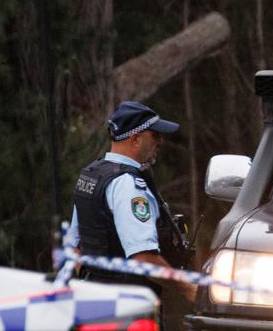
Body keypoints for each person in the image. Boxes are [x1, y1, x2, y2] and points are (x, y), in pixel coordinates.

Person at [66, 101, 194, 302]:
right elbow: (144, 259)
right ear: (135, 139)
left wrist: (94, 282)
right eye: (154, 135)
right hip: (128, 310)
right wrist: (189, 290)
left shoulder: (92, 174)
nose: (160, 142)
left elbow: (74, 245)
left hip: (92, 304)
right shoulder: (127, 185)